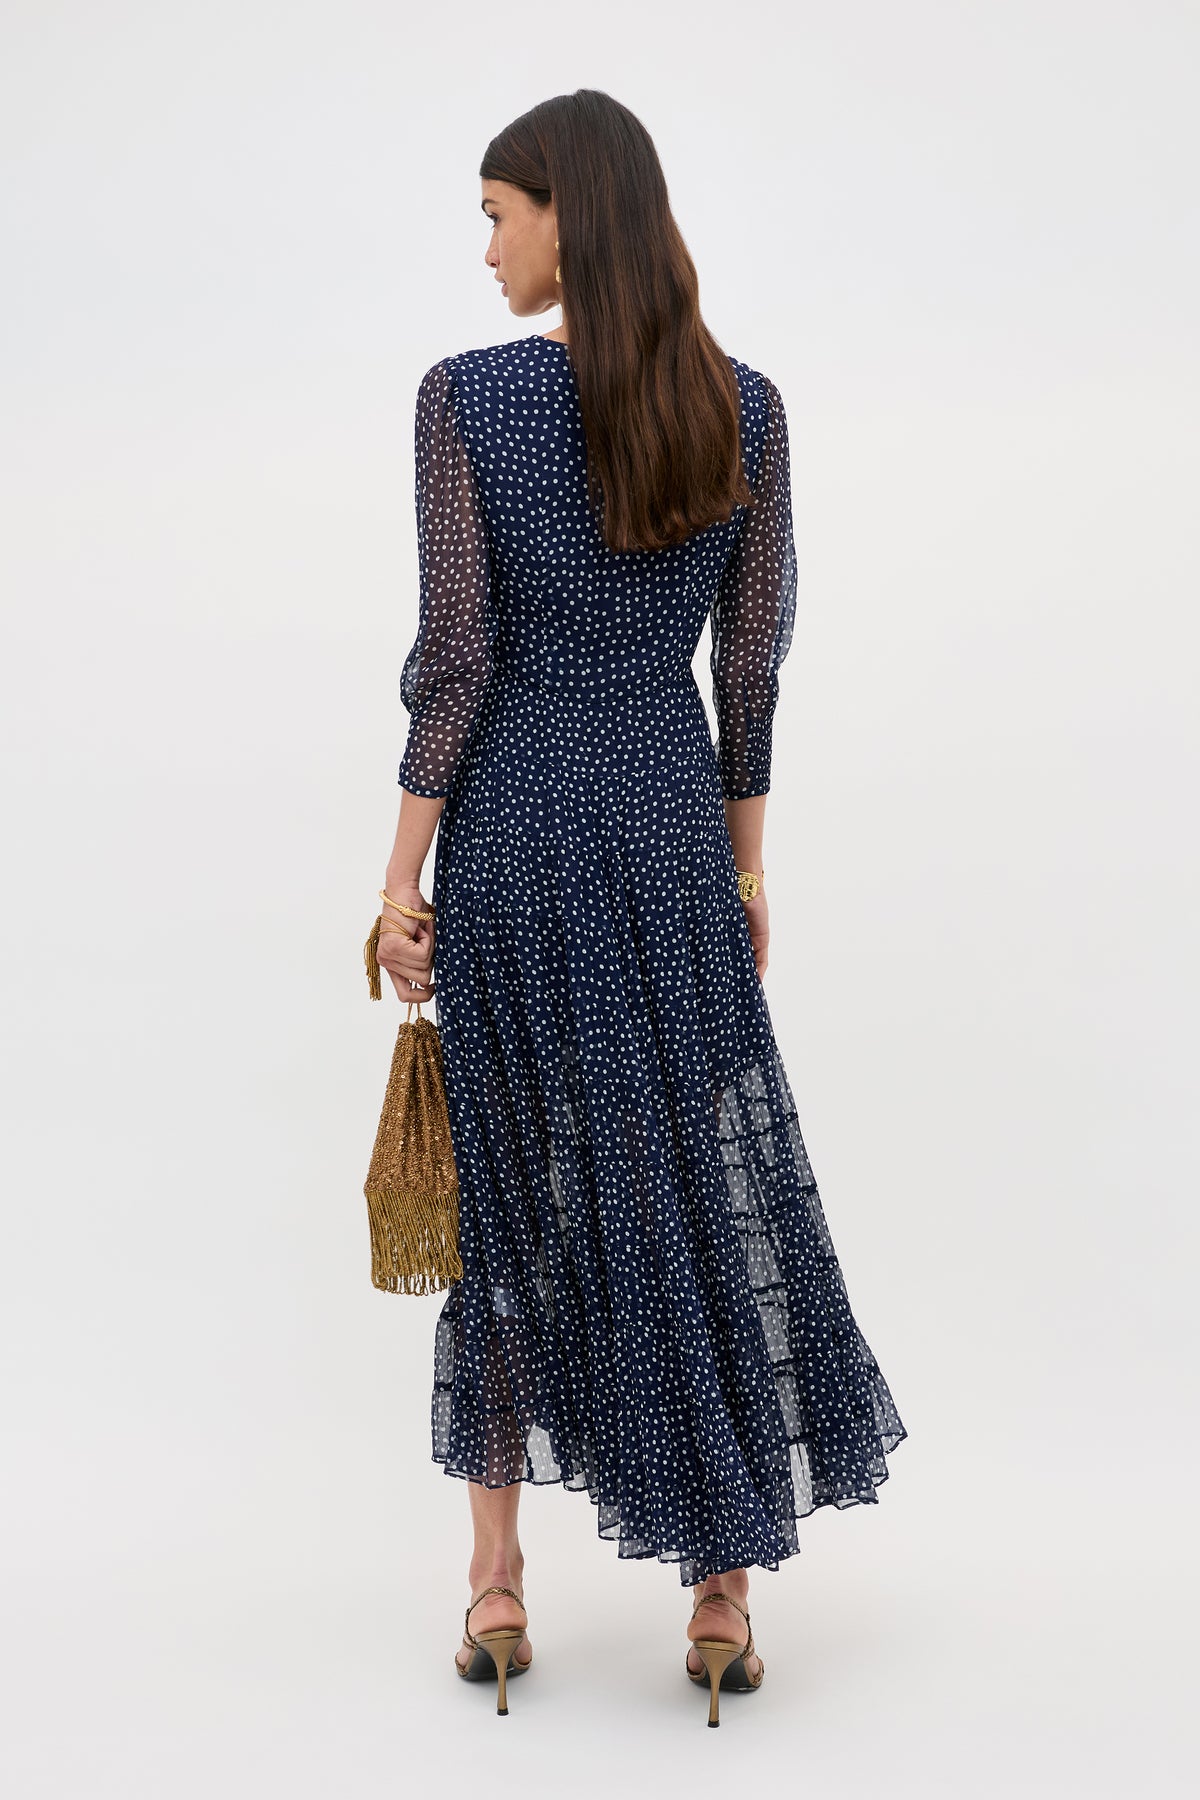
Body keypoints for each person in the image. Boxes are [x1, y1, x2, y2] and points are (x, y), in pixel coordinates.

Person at [376, 89, 908, 1727]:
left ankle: (495, 1587)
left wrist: (399, 877)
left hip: (521, 835)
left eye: (498, 213)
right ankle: (723, 1599)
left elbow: (459, 663)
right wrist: (746, 872)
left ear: (566, 214)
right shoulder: (743, 409)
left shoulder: (466, 403)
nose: (486, 245)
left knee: (512, 1191)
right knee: (697, 1174)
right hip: (672, 830)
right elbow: (749, 673)